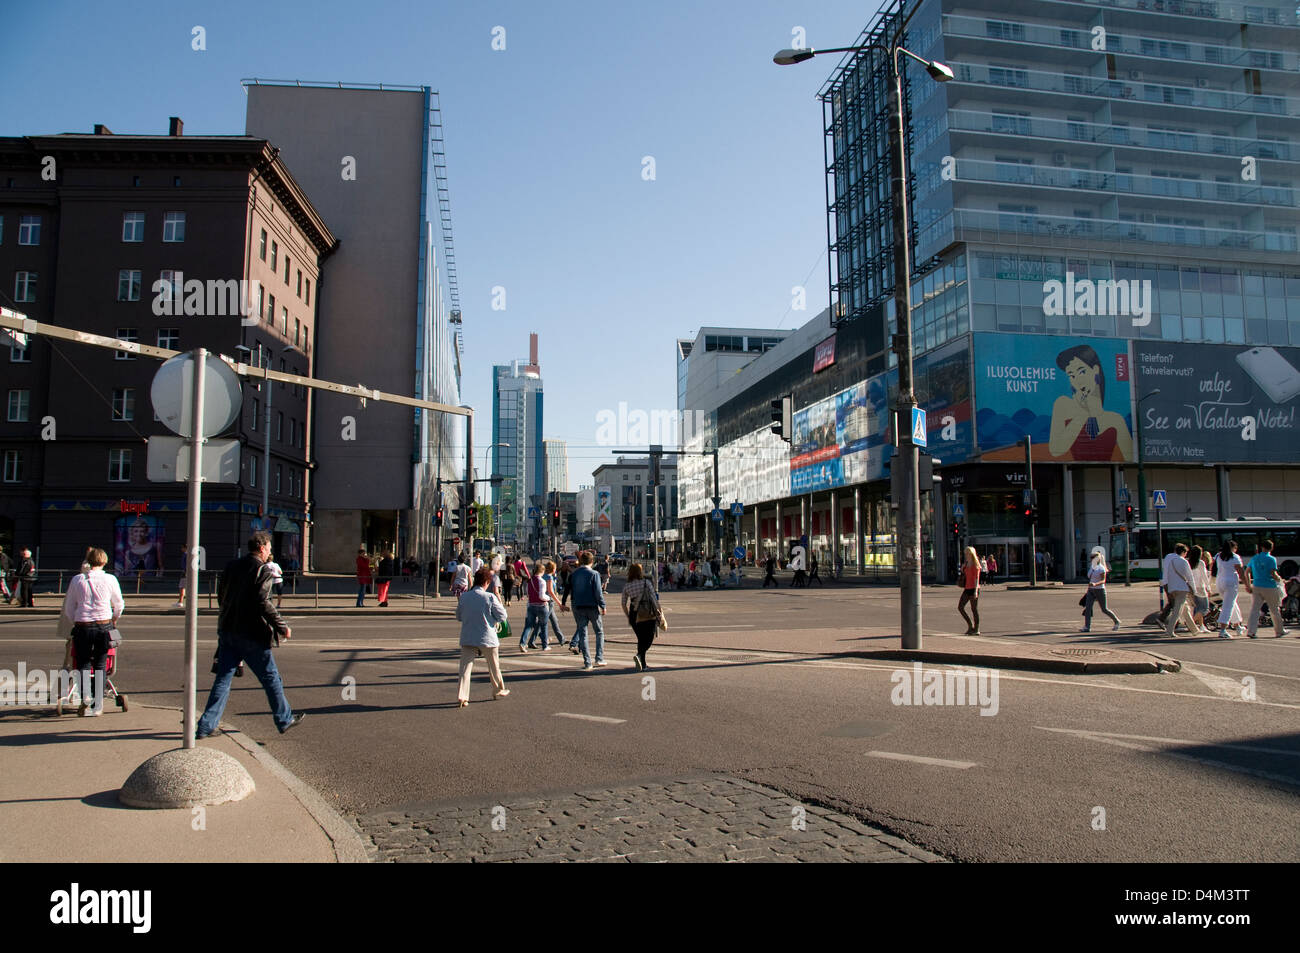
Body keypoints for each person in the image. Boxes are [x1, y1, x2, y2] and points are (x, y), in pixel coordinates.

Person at [196, 532, 304, 738]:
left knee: (223, 680)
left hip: (228, 630)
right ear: (262, 548)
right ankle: (284, 718)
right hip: (252, 634)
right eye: (270, 548)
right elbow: (263, 602)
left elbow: (222, 597)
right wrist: (282, 626)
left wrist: (228, 617)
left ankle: (205, 726)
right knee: (271, 677)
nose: (271, 551)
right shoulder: (262, 570)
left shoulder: (231, 566)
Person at [61, 547, 124, 716]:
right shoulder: (110, 579)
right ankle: (98, 705)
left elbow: (69, 607)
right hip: (104, 625)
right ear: (104, 561)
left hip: (83, 626)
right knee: (101, 664)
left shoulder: (77, 579)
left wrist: (76, 620)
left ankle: (85, 696)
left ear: (88, 560)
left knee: (82, 663)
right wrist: (114, 619)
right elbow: (119, 604)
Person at [1047, 344, 1135, 462]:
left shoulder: (1115, 419)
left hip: (1107, 475)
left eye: (1082, 372)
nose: (1077, 380)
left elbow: (1131, 459)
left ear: (1095, 370)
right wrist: (1084, 412)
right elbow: (1055, 450)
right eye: (1071, 375)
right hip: (1069, 474)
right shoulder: (1062, 404)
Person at [455, 566, 509, 707]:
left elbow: (459, 616)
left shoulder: (464, 597)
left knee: (465, 668)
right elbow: (503, 615)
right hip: (487, 636)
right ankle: (498, 690)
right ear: (486, 582)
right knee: (494, 666)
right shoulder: (489, 597)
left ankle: (462, 696)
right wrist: (493, 620)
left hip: (468, 635)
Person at [565, 551, 607, 671]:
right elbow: (598, 593)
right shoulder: (594, 574)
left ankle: (587, 662)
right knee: (599, 632)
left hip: (578, 606)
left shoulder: (574, 574)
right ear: (591, 561)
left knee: (583, 634)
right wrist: (603, 606)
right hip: (592, 606)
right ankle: (599, 658)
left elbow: (570, 589)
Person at [1245, 538, 1289, 639]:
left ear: (1262, 547)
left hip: (1256, 585)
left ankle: (1251, 631)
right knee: (1274, 609)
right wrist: (1280, 579)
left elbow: (1247, 572)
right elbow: (1273, 573)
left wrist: (1248, 585)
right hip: (1269, 586)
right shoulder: (1271, 559)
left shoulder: (1255, 558)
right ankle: (1279, 631)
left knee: (1255, 609)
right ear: (1271, 548)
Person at [621, 562, 660, 671]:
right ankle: (639, 656)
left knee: (641, 639)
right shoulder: (646, 583)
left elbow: (623, 603)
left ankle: (642, 664)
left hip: (635, 614)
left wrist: (628, 616)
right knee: (649, 638)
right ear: (640, 572)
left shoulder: (627, 586)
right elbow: (653, 598)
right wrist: (659, 611)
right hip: (648, 612)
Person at [1213, 539, 1250, 639]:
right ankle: (1223, 630)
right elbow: (1241, 573)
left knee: (1231, 603)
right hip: (1231, 583)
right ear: (1233, 548)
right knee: (1228, 606)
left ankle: (1237, 626)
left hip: (1220, 582)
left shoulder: (1218, 556)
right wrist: (1247, 585)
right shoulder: (1235, 557)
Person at [1080, 548, 1121, 633]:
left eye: (1092, 558)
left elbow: (1103, 581)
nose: (1091, 559)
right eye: (1091, 558)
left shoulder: (1101, 568)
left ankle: (1116, 621)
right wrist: (1092, 585)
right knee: (1088, 608)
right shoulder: (1092, 567)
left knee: (1104, 609)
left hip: (1100, 590)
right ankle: (1087, 627)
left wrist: (1095, 584)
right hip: (1091, 590)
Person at [518, 559, 554, 652]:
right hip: (541, 606)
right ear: (542, 571)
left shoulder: (530, 581)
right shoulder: (541, 581)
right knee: (544, 625)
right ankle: (545, 645)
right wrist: (548, 598)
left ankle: (522, 643)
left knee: (528, 626)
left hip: (531, 605)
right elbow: (542, 596)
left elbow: (527, 594)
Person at [1161, 543, 1196, 638]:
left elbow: (1168, 575)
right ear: (1183, 552)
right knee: (1178, 610)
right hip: (1182, 588)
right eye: (1186, 553)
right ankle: (1170, 630)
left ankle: (1194, 629)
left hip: (1172, 588)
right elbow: (1190, 577)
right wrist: (1194, 590)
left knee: (1185, 609)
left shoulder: (1171, 561)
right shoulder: (1184, 561)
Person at [1187, 545, 1212, 634]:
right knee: (1205, 608)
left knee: (1197, 608)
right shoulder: (1200, 563)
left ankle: (1201, 626)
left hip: (1191, 587)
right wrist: (1208, 588)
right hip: (1200, 587)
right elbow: (1204, 576)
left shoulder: (1188, 562)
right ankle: (1191, 623)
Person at [957, 546, 981, 635]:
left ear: (972, 554)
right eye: (965, 553)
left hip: (974, 588)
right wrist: (963, 568)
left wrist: (975, 591)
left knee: (974, 609)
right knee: (960, 607)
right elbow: (963, 575)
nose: (966, 555)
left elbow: (976, 578)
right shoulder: (966, 563)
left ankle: (976, 629)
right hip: (967, 588)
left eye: (968, 553)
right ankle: (970, 626)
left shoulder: (975, 564)